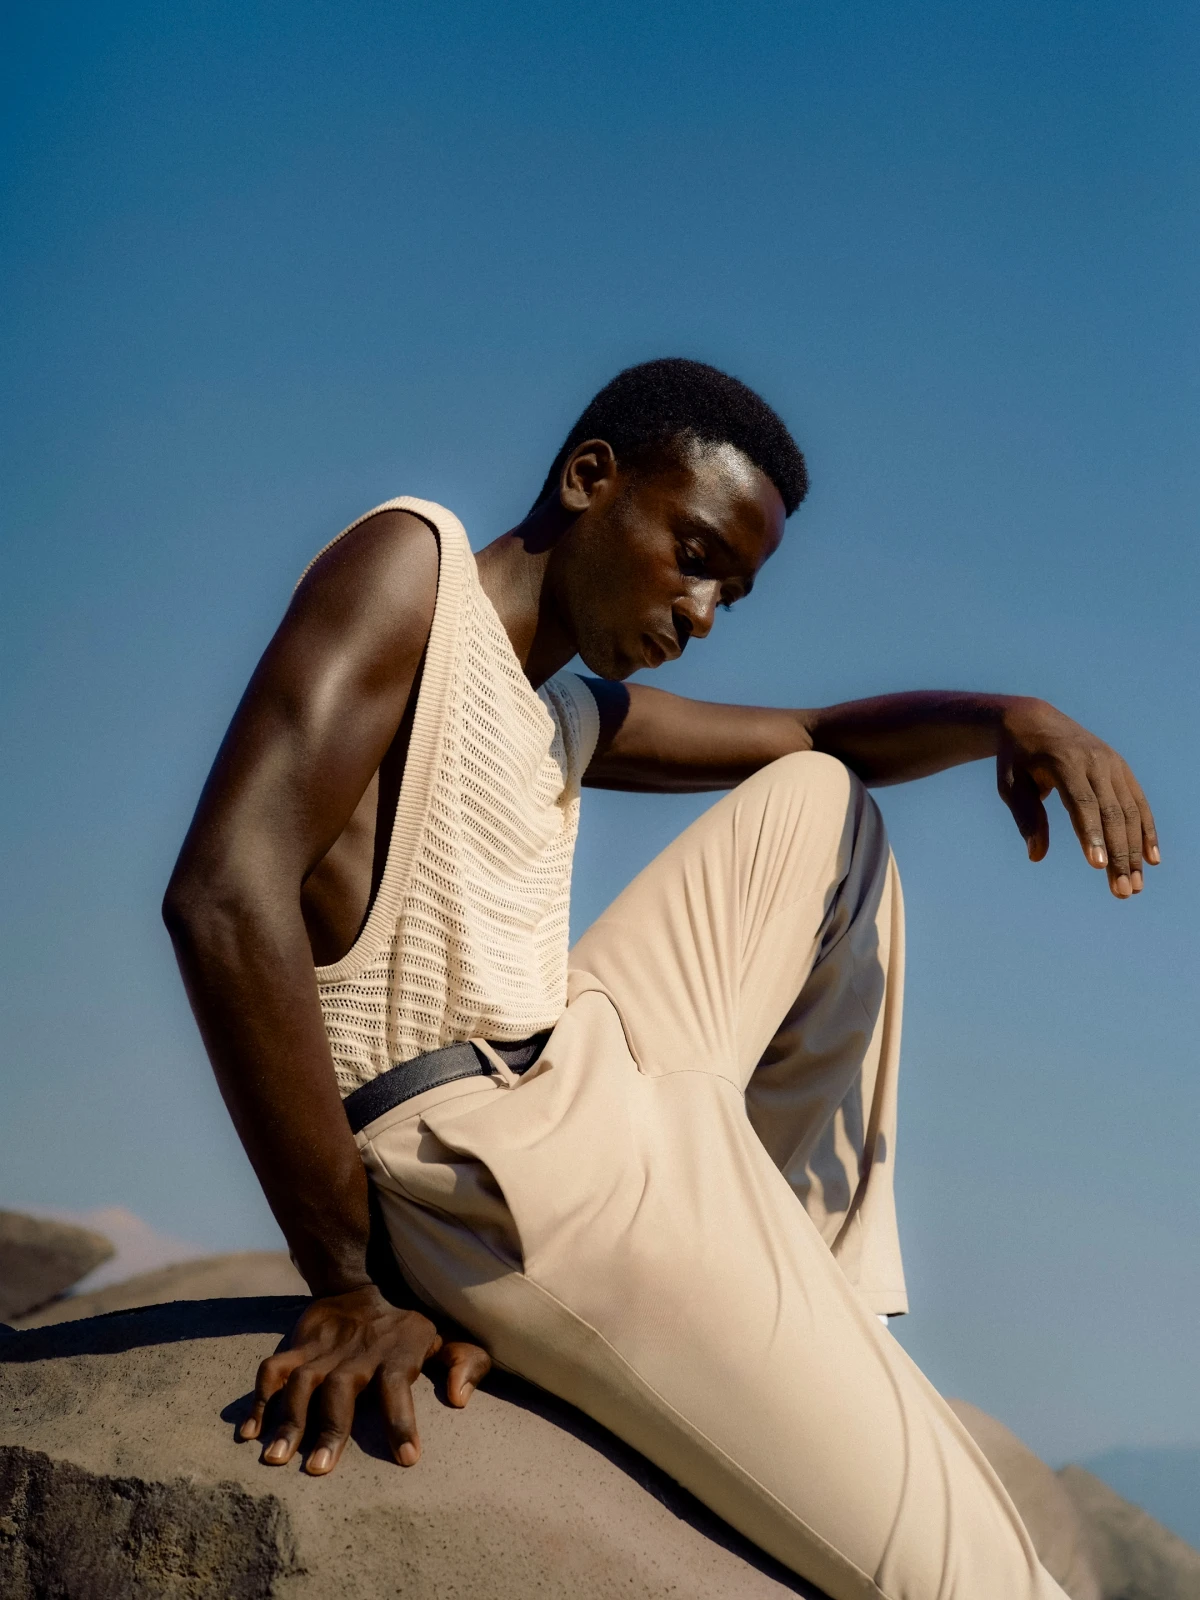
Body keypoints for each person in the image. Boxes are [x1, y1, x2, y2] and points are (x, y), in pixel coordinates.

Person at [164, 358, 1157, 1599]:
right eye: (694, 555)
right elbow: (222, 895)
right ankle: (758, 1328)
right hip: (495, 1157)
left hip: (587, 1077)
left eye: (730, 595)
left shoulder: (560, 714)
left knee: (818, 802)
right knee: (981, 1583)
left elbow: (819, 735)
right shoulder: (411, 567)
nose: (700, 612)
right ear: (591, 479)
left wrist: (1012, 715)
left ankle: (804, 1287)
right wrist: (356, 1285)